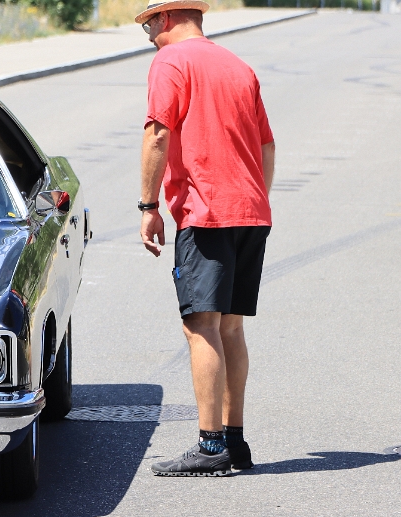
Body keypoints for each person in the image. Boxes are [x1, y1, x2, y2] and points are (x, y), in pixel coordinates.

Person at [136, 0, 276, 476]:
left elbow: (158, 135)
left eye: (148, 27)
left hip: (208, 213)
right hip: (251, 212)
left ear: (166, 18)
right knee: (231, 327)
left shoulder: (171, 61)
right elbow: (266, 144)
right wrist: (254, 200)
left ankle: (210, 444)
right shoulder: (238, 66)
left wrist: (149, 207)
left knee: (201, 326)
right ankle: (235, 442)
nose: (149, 37)